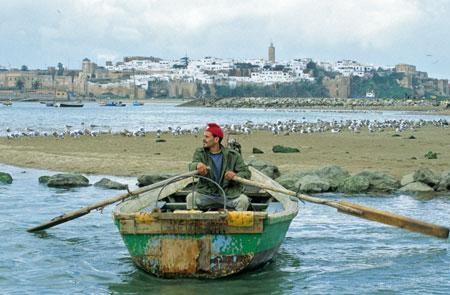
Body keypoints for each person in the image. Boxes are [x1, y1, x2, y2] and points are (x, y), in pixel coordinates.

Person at [186, 123, 251, 211]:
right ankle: (195, 223)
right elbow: (192, 166)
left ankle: (235, 224)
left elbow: (246, 173)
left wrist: (235, 175)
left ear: (216, 139)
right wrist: (197, 166)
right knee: (191, 198)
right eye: (204, 136)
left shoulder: (233, 155)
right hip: (207, 194)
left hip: (228, 195)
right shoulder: (200, 153)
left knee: (243, 201)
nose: (203, 139)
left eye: (207, 137)